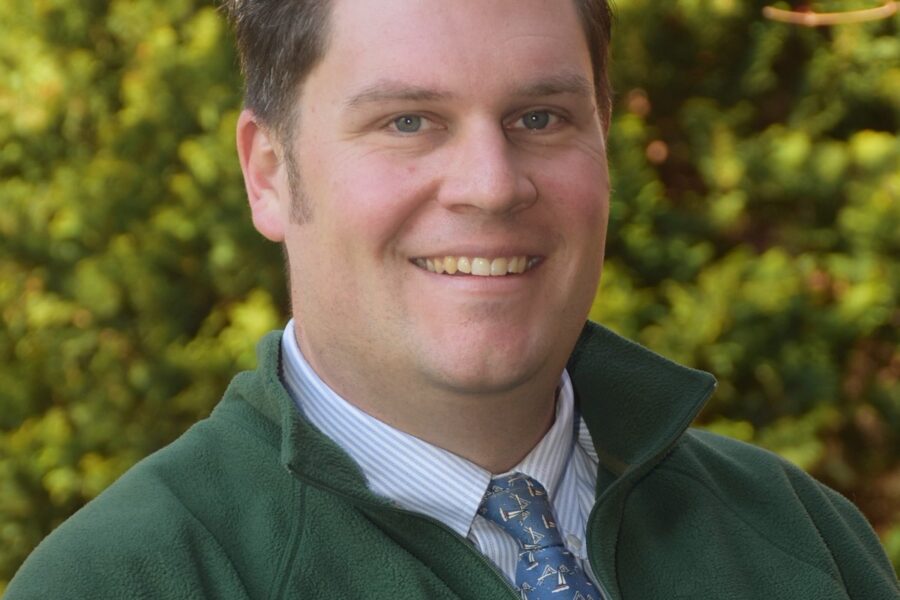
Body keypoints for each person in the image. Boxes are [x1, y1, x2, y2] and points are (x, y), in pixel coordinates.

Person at [6, 0, 899, 598]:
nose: (491, 185)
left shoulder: (801, 537)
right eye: (408, 122)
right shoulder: (126, 580)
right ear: (269, 173)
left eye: (540, 118)